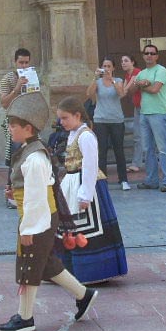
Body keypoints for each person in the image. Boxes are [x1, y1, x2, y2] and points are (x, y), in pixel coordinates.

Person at [0, 92, 98, 331]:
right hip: (39, 216)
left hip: (39, 218)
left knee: (30, 263)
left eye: (13, 125)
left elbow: (36, 198)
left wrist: (29, 229)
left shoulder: (34, 158)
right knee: (46, 264)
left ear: (27, 127)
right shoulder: (31, 150)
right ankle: (84, 294)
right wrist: (16, 194)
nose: (9, 129)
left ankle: (25, 318)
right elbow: (33, 189)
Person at [56, 96, 128, 283]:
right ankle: (69, 270)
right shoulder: (73, 134)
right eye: (60, 118)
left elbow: (90, 166)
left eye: (65, 118)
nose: (61, 122)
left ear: (77, 115)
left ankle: (94, 272)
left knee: (88, 229)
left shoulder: (86, 135)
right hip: (72, 183)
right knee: (69, 227)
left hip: (86, 186)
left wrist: (85, 194)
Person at [120, 53, 166, 174]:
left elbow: (126, 91)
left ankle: (138, 164)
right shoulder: (129, 75)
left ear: (133, 62)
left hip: (150, 108)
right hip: (139, 107)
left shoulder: (138, 73)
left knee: (155, 139)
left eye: (126, 61)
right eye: (122, 61)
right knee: (145, 138)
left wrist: (135, 84)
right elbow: (128, 90)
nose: (123, 63)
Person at [131, 44, 166, 192]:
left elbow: (156, 89)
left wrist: (142, 85)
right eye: (146, 53)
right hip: (144, 113)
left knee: (162, 149)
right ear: (143, 56)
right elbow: (131, 89)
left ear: (157, 56)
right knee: (147, 149)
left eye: (152, 53)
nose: (149, 55)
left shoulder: (161, 70)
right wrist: (137, 83)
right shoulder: (142, 73)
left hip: (158, 113)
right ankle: (151, 180)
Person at [87, 58, 130, 190]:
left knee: (119, 150)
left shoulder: (118, 81)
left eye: (109, 66)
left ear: (113, 68)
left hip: (116, 120)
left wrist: (111, 79)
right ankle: (102, 180)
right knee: (102, 151)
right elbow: (89, 94)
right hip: (100, 120)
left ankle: (123, 180)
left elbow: (121, 93)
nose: (106, 68)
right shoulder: (98, 82)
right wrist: (95, 78)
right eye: (104, 66)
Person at [0, 48, 33, 209]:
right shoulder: (8, 79)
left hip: (29, 121)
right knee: (15, 158)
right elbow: (4, 103)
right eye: (21, 62)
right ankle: (11, 193)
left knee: (29, 158)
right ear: (15, 62)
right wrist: (17, 88)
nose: (24, 65)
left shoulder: (32, 76)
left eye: (26, 62)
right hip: (14, 122)